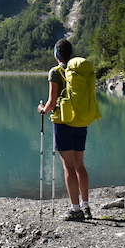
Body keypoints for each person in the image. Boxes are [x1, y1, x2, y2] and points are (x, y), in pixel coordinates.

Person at [37, 38, 92, 221]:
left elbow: (52, 103)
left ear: (56, 54)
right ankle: (86, 206)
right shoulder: (78, 71)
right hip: (80, 120)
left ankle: (75, 209)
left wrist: (42, 110)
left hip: (63, 123)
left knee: (68, 167)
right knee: (80, 165)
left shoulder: (56, 72)